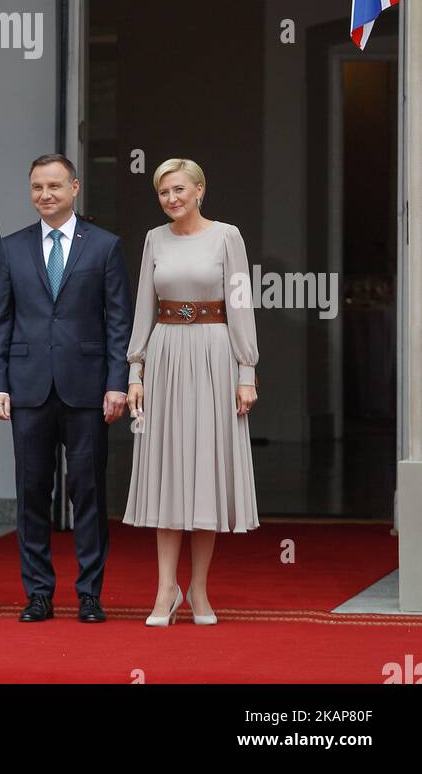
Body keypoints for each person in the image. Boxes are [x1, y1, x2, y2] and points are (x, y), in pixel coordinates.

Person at [0, 154, 133, 623]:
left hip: (87, 389)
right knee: (31, 492)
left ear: (74, 187)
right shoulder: (11, 248)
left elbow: (118, 323)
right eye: (36, 188)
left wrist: (117, 383)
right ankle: (39, 594)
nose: (45, 195)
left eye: (54, 186)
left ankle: (89, 592)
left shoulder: (105, 246)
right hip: (27, 389)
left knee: (87, 492)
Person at [124, 159, 259, 626]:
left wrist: (247, 371)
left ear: (200, 190)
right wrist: (135, 370)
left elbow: (240, 303)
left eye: (179, 190)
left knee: (204, 474)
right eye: (163, 193)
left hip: (214, 356)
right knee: (167, 471)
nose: (171, 199)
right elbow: (144, 303)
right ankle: (166, 590)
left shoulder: (228, 236)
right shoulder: (153, 239)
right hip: (164, 355)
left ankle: (199, 590)